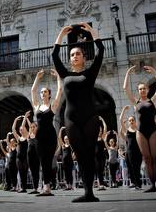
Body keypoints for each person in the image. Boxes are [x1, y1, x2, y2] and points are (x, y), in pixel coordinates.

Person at [52, 22, 104, 202]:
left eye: (78, 54)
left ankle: (90, 192)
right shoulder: (65, 75)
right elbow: (54, 55)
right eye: (72, 54)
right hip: (71, 119)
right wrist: (61, 34)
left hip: (90, 117)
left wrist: (91, 31)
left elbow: (101, 51)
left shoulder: (90, 73)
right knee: (80, 155)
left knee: (89, 154)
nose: (74, 56)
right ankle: (86, 191)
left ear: (83, 57)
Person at [123, 64, 156, 192]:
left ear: (147, 90)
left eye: (144, 89)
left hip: (152, 131)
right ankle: (151, 185)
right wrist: (128, 73)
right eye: (140, 89)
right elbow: (125, 88)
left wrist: (154, 71)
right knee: (146, 159)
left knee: (153, 158)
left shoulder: (153, 101)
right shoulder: (136, 103)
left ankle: (154, 184)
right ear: (138, 91)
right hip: (140, 132)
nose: (142, 91)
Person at [31, 68, 62, 196]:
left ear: (49, 94)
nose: (42, 93)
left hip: (50, 136)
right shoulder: (37, 106)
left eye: (45, 92)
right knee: (43, 161)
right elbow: (32, 90)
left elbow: (60, 91)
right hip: (39, 137)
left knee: (48, 161)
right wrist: (37, 78)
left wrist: (58, 78)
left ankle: (47, 187)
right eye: (42, 92)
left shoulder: (53, 106)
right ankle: (46, 187)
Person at [119, 106, 142, 190]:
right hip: (129, 152)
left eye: (132, 120)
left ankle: (138, 184)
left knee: (137, 167)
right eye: (130, 120)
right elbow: (120, 120)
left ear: (135, 122)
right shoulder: (127, 130)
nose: (131, 121)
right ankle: (134, 183)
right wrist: (124, 109)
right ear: (128, 122)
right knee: (131, 167)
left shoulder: (138, 131)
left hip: (138, 152)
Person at [11, 113, 30, 193]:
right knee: (21, 172)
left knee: (25, 172)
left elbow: (30, 128)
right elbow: (13, 130)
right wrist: (15, 120)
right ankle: (22, 187)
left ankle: (24, 187)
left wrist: (26, 118)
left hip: (25, 157)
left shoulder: (27, 136)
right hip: (18, 157)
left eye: (23, 129)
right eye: (20, 129)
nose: (21, 130)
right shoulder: (18, 138)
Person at [95, 116, 107, 191]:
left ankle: (101, 184)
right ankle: (100, 185)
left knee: (101, 170)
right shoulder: (94, 138)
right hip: (96, 156)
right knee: (98, 169)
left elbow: (105, 127)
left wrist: (102, 120)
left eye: (101, 130)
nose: (100, 131)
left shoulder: (102, 137)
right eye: (98, 130)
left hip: (102, 156)